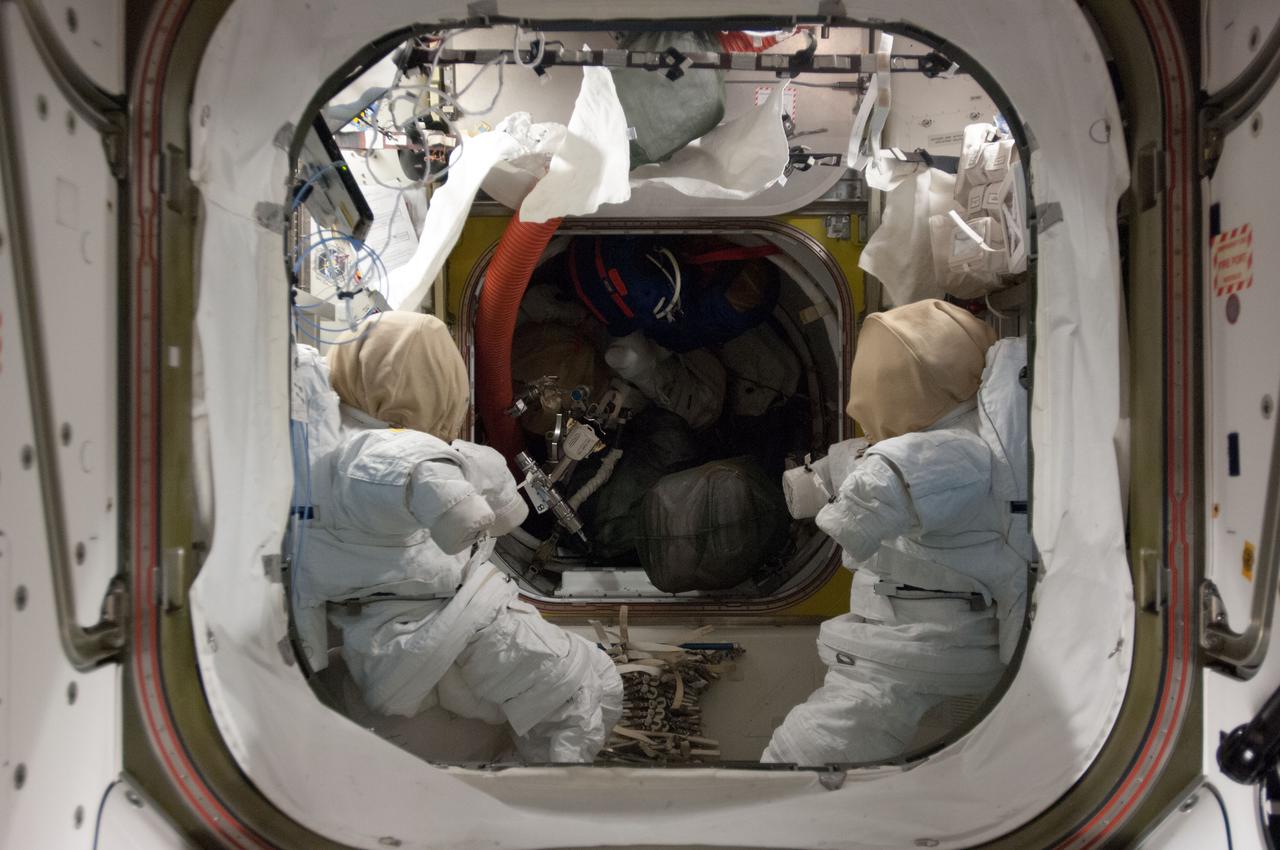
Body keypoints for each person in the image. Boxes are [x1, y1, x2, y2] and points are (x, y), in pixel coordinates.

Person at [290, 311, 621, 763]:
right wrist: (465, 514)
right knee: (581, 683)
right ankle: (555, 787)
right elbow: (417, 477)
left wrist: (494, 497)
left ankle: (527, 782)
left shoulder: (355, 445)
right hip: (429, 626)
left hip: (424, 625)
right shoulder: (378, 453)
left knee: (568, 688)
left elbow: (466, 479)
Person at [763, 299, 1030, 765]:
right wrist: (818, 481)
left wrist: (846, 518)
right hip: (910, 623)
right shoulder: (942, 432)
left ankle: (788, 797)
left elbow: (885, 480)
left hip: (922, 640)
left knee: (829, 735)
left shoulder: (956, 453)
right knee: (836, 724)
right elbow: (867, 461)